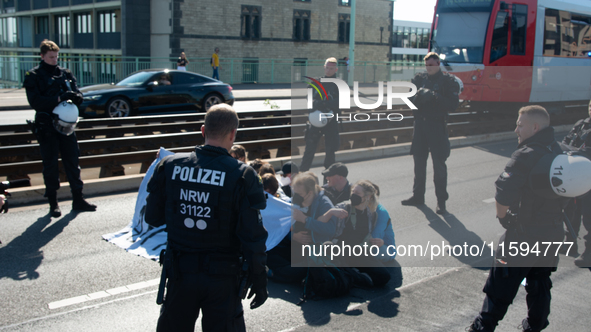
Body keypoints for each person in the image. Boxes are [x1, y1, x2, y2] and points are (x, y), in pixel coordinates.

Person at [145, 104, 268, 332]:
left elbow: (153, 217)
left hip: (180, 273)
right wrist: (260, 277)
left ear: (203, 130)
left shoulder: (170, 166)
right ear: (233, 134)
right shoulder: (243, 174)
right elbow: (253, 236)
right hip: (223, 279)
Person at [468, 106, 566, 332]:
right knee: (539, 281)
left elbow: (503, 194)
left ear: (535, 127)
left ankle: (483, 327)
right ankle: (535, 326)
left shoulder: (526, 154)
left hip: (524, 234)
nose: (516, 130)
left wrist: (503, 218)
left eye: (520, 125)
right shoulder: (560, 151)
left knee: (500, 284)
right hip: (552, 232)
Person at [23, 39, 96, 218]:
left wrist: (77, 97)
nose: (55, 60)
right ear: (42, 56)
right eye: (51, 57)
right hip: (47, 125)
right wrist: (58, 99)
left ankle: (78, 199)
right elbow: (35, 102)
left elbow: (76, 91)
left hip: (67, 125)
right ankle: (53, 203)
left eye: (56, 57)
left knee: (72, 161)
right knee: (50, 165)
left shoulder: (65, 73)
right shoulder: (33, 76)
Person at [401, 52, 460, 215]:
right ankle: (418, 196)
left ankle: (441, 202)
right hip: (420, 126)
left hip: (437, 127)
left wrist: (434, 96)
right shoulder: (419, 79)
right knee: (419, 165)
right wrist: (417, 97)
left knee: (439, 166)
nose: (429, 68)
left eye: (432, 65)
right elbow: (409, 100)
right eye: (427, 65)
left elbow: (453, 104)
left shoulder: (448, 81)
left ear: (438, 63)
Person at [267, 172, 337, 283]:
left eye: (298, 193)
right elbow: (281, 227)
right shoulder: (296, 201)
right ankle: (280, 271)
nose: (295, 196)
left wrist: (305, 220)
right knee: (269, 253)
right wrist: (293, 236)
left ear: (309, 193)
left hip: (312, 251)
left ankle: (274, 273)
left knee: (298, 271)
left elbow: (331, 230)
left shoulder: (324, 203)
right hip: (295, 246)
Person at [330, 180, 391, 287]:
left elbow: (369, 236)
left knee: (384, 276)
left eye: (357, 193)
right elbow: (328, 231)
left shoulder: (371, 215)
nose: (353, 195)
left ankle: (352, 275)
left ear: (368, 197)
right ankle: (353, 274)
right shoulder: (342, 208)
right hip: (340, 251)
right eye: (353, 192)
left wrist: (380, 242)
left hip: (359, 252)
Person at [562, 99, 591, 267]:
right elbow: (567, 141)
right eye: (589, 106)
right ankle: (569, 241)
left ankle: (589, 253)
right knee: (572, 209)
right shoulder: (581, 124)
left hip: (589, 177)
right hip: (575, 177)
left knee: (589, 216)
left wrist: (574, 151)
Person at [299, 57, 341, 172]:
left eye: (331, 68)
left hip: (331, 122)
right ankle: (302, 175)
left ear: (336, 69)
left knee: (330, 152)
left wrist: (322, 103)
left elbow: (341, 102)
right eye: (327, 68)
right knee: (309, 150)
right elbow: (308, 97)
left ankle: (329, 178)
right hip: (315, 120)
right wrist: (314, 104)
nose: (328, 70)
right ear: (324, 67)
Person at [369, 182, 403, 288]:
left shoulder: (381, 212)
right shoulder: (362, 208)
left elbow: (374, 238)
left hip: (385, 248)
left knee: (372, 249)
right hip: (368, 244)